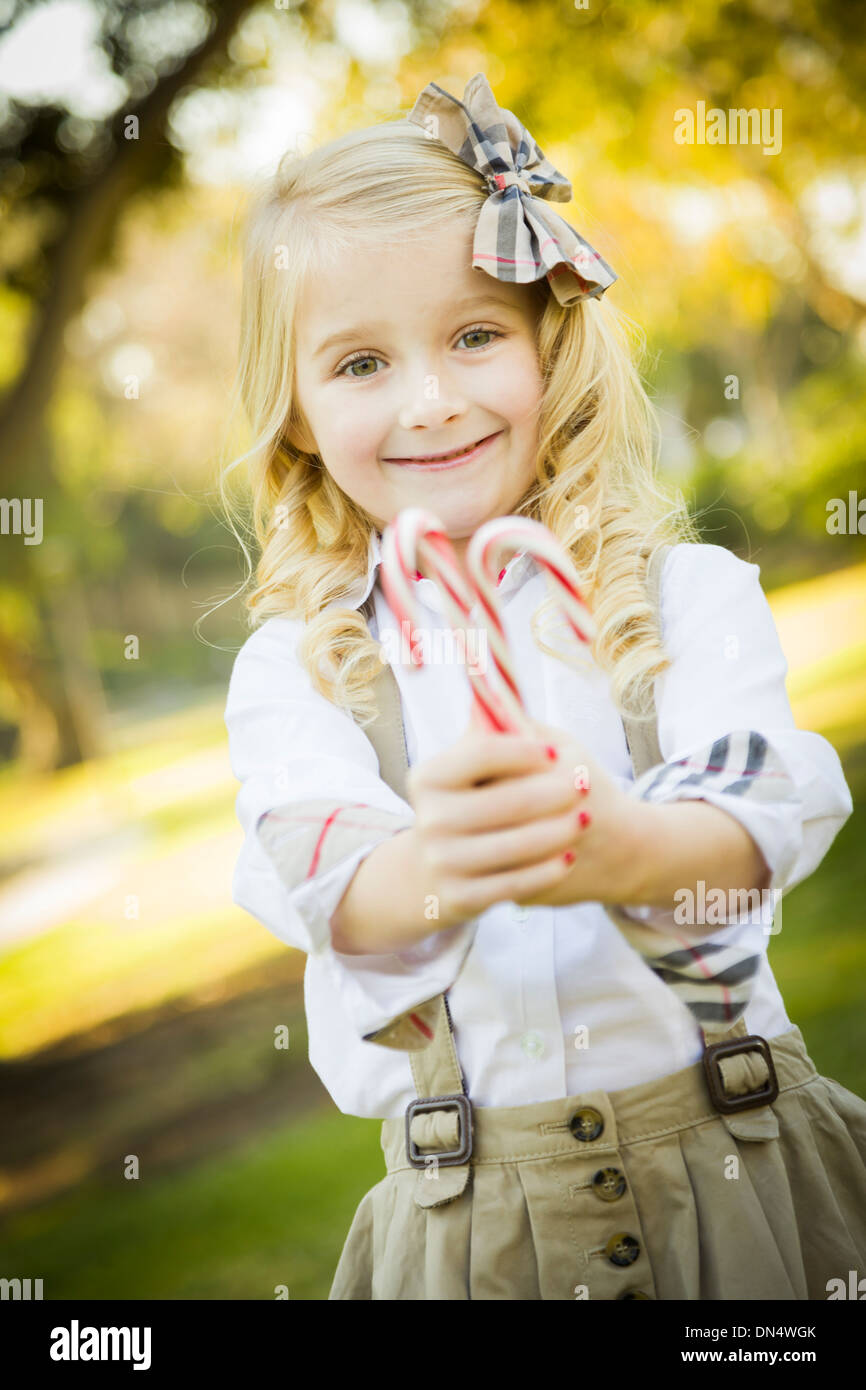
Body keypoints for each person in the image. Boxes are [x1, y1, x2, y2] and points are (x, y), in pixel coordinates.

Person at [222, 73, 866, 1299]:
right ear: (296, 416)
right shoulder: (300, 670)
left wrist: (620, 846)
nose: (431, 400)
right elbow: (330, 881)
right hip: (476, 1231)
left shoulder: (678, 596)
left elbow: (754, 829)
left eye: (474, 334)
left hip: (740, 1178)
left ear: (545, 341)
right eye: (359, 362)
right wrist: (443, 857)